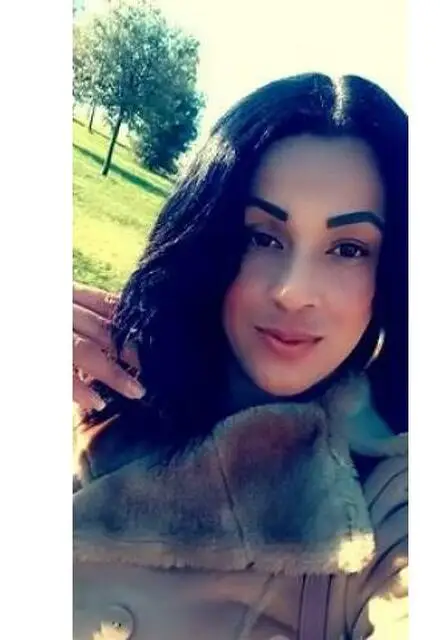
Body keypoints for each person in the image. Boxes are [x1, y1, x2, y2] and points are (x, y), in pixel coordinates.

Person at [73, 72, 408, 639]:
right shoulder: (91, 378)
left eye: (348, 249)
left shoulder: (386, 500)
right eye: (263, 237)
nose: (293, 291)